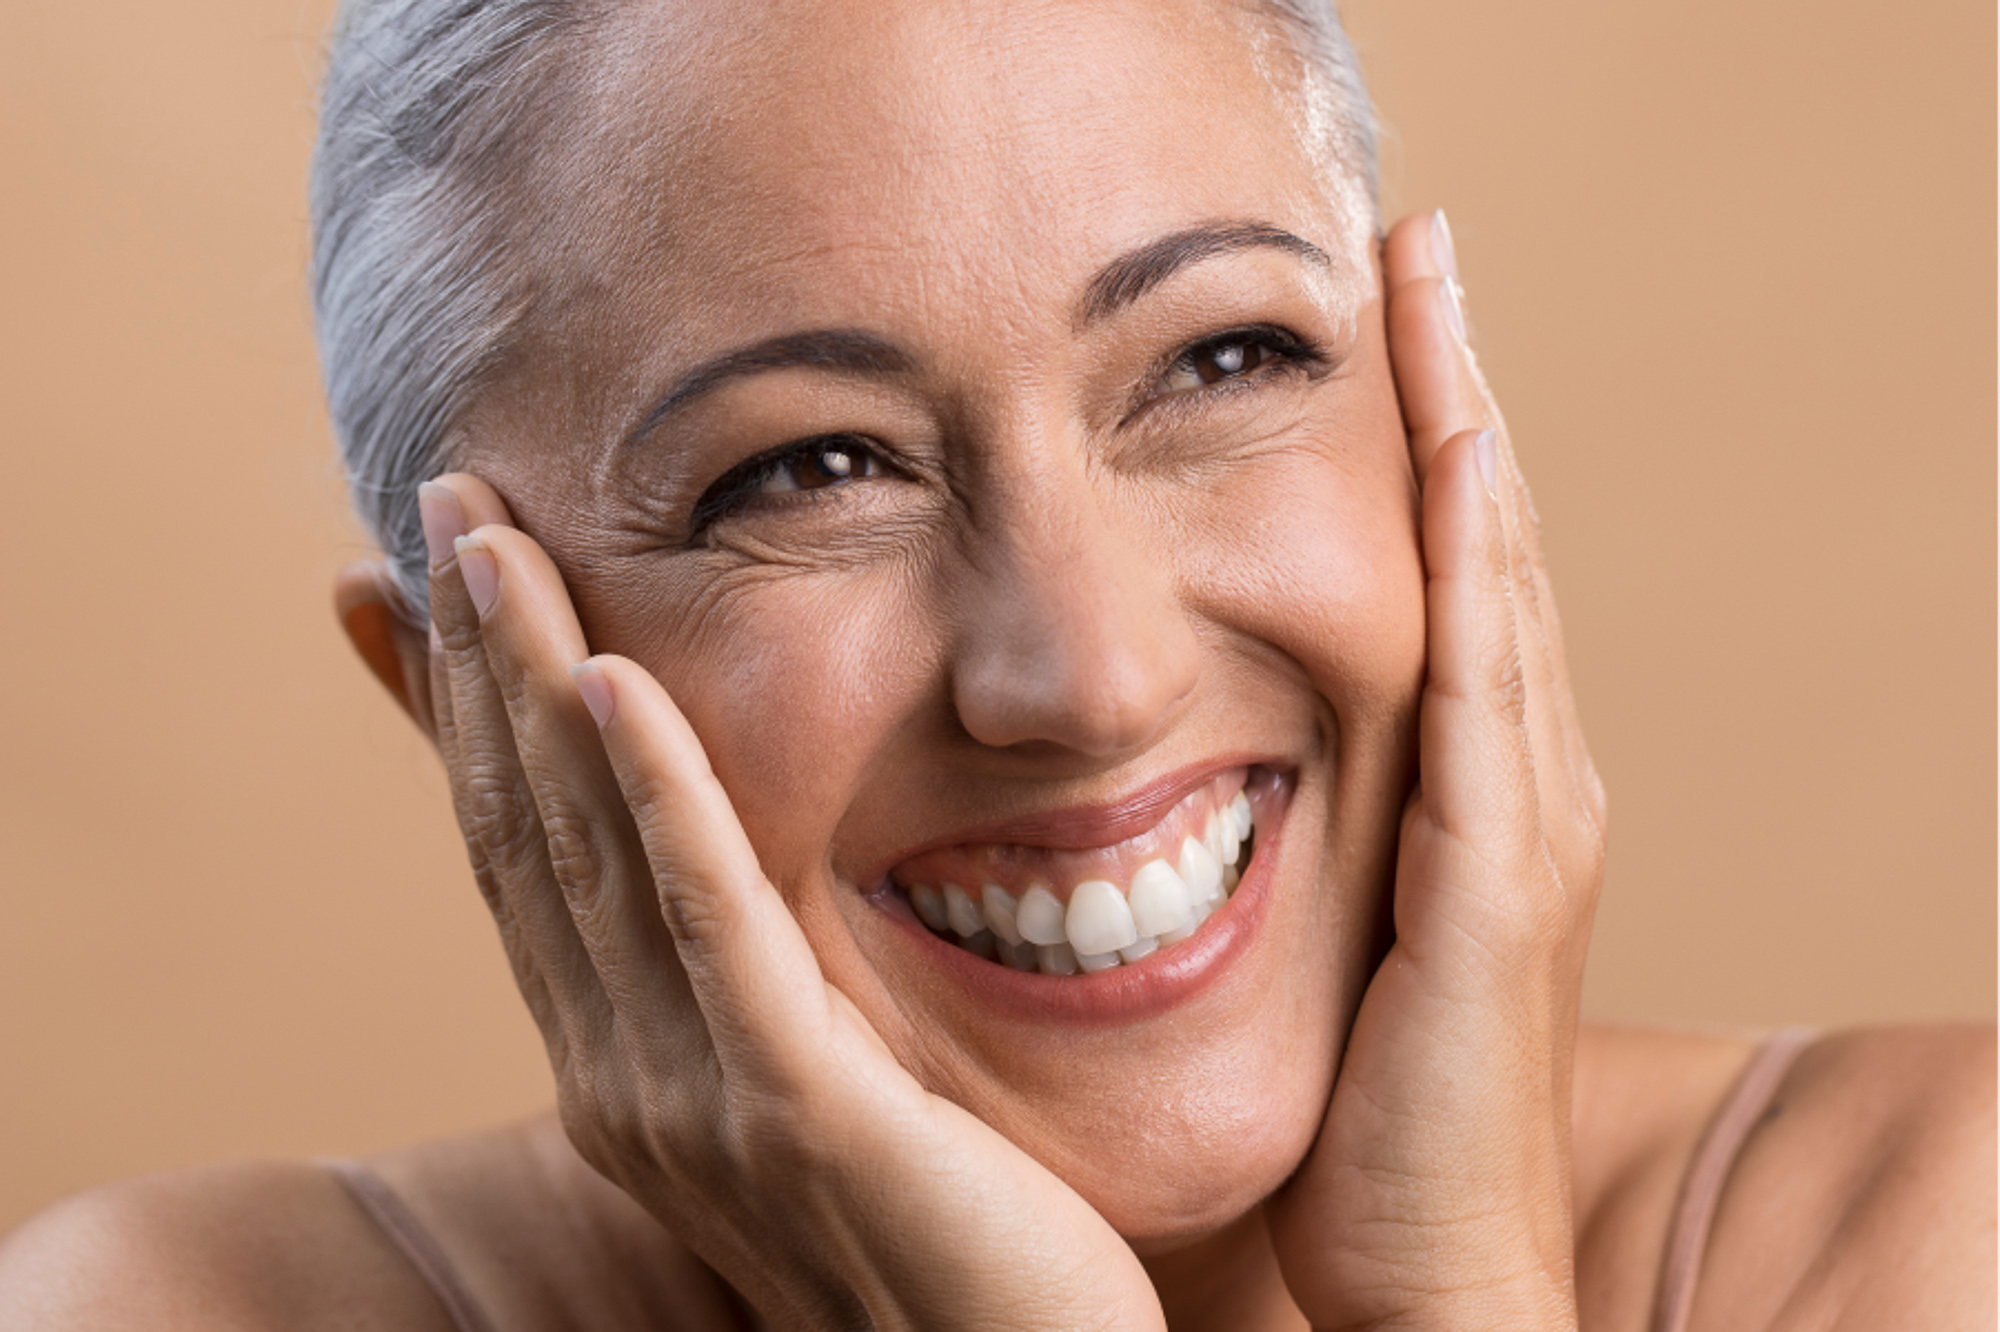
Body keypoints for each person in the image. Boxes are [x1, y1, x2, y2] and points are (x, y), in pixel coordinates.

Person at [1, 0, 1990, 1327]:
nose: (1095, 676)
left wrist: (1458, 1290)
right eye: (809, 468)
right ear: (466, 706)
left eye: (1222, 359)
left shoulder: (1927, 1232)